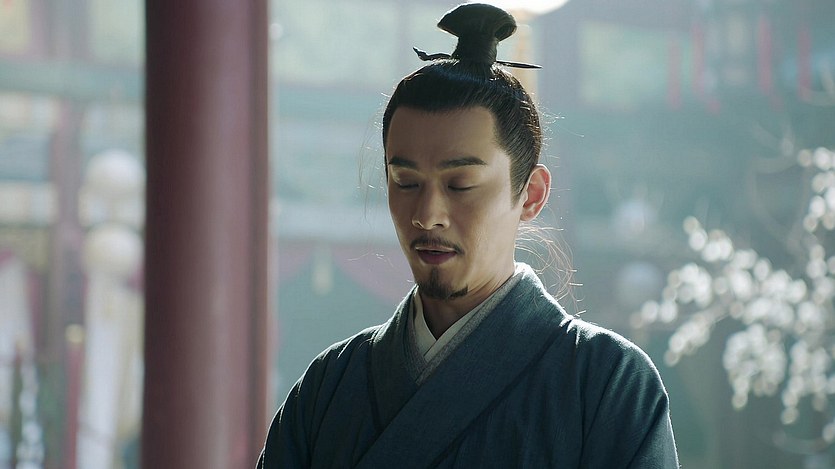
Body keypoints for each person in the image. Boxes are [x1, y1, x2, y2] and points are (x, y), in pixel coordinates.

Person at [258, 3, 679, 468]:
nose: (427, 216)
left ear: (532, 194)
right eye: (406, 182)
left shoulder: (606, 384)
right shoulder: (327, 388)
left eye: (460, 185)